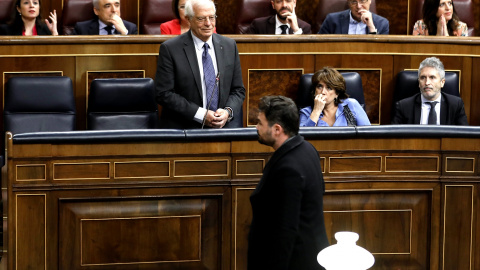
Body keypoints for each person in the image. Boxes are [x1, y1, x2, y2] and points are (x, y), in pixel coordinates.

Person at [248, 95, 329, 270]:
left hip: (295, 262)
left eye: (260, 123)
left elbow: (285, 232)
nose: (256, 127)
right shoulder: (307, 149)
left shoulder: (288, 169)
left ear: (277, 129)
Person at [154, 0, 245, 129]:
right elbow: (164, 93)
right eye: (201, 19)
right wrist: (200, 114)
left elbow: (238, 90)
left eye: (212, 18)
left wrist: (227, 112)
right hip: (184, 128)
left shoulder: (229, 46)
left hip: (222, 128)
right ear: (188, 19)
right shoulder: (170, 49)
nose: (208, 24)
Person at [391, 57, 468, 125]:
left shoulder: (455, 105)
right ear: (419, 82)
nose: (427, 83)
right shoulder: (404, 106)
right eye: (423, 78)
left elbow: (464, 137)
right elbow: (394, 138)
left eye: (432, 77)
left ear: (442, 82)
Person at [299, 67, 370, 126]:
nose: (323, 92)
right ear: (314, 91)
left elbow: (368, 134)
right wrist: (316, 111)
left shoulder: (351, 105)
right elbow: (304, 138)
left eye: (329, 88)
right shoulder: (306, 112)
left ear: (337, 93)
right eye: (319, 87)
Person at [318, 0, 389, 35]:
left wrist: (371, 28)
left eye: (362, 1)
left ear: (370, 1)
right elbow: (319, 45)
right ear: (349, 3)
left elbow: (380, 52)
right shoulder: (332, 20)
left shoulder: (382, 24)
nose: (358, 6)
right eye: (354, 2)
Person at [244, 0, 311, 34]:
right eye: (279, 1)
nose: (284, 5)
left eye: (288, 1)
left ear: (294, 3)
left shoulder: (304, 28)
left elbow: (306, 56)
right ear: (273, 5)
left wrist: (296, 30)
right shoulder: (258, 25)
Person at [72, 0, 137, 35]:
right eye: (108, 6)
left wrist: (124, 33)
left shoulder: (130, 28)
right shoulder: (81, 29)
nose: (114, 10)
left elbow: (136, 55)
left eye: (117, 5)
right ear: (96, 11)